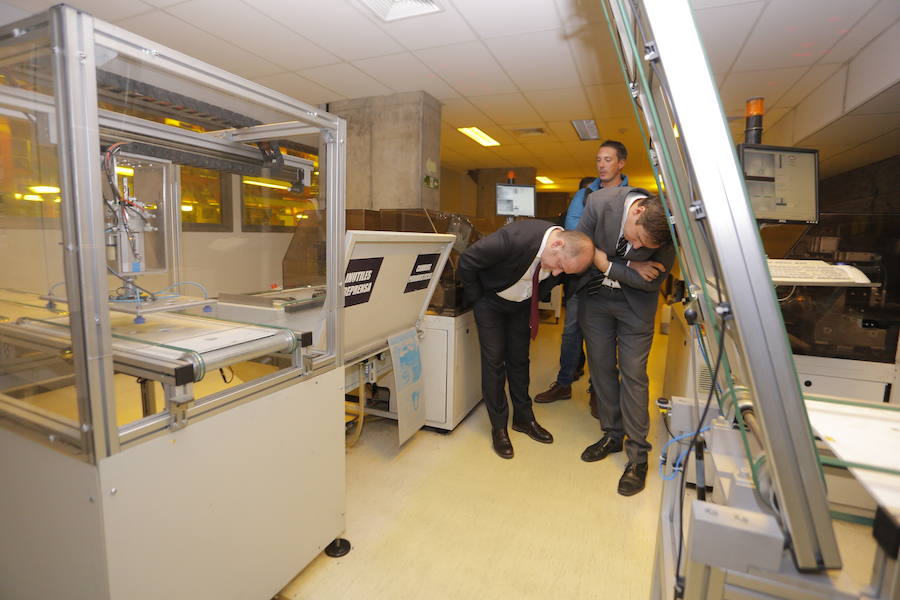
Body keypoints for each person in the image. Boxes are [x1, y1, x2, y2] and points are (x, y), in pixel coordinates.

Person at [459, 221, 594, 459]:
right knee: (494, 362)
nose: (557, 274)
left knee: (520, 361)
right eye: (560, 265)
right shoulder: (514, 238)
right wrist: (476, 299)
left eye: (564, 272)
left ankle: (523, 418)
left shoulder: (562, 258)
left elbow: (559, 275)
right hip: (491, 301)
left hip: (522, 304)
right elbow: (468, 260)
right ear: (557, 243)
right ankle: (498, 427)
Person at [574, 186, 674, 496]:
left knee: (634, 376)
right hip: (595, 300)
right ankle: (612, 434)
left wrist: (607, 263)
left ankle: (638, 457)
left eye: (645, 246)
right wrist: (628, 265)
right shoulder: (600, 202)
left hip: (636, 308)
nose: (638, 246)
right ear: (638, 210)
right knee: (601, 368)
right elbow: (580, 250)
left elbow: (651, 281)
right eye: (638, 237)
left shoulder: (669, 226)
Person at [534, 141, 631, 410]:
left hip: (613, 278)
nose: (601, 165)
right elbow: (575, 236)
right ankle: (564, 383)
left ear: (621, 163)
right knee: (572, 331)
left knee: (605, 335)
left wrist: (600, 242)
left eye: (608, 160)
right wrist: (607, 243)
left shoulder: (631, 196)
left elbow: (630, 237)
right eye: (598, 159)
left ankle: (598, 391)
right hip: (581, 276)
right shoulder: (583, 195)